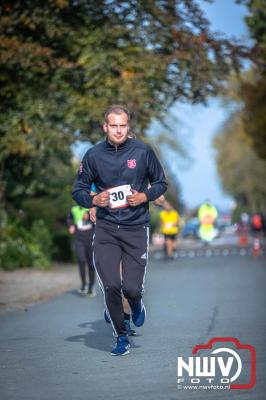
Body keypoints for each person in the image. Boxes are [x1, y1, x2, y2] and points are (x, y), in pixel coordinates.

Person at [72, 104, 167, 355]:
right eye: (113, 125)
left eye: (122, 125)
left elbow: (160, 182)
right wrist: (94, 200)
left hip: (136, 228)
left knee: (132, 289)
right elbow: (78, 189)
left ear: (128, 126)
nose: (118, 130)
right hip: (106, 229)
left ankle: (135, 304)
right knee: (112, 285)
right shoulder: (93, 155)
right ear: (105, 127)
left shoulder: (143, 151)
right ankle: (121, 336)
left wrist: (144, 197)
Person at [67, 206, 96, 297]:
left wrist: (89, 215)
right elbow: (69, 218)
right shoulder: (73, 209)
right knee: (81, 260)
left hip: (91, 239)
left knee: (91, 264)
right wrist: (71, 225)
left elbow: (98, 219)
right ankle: (84, 284)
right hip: (79, 238)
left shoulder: (92, 208)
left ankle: (91, 287)